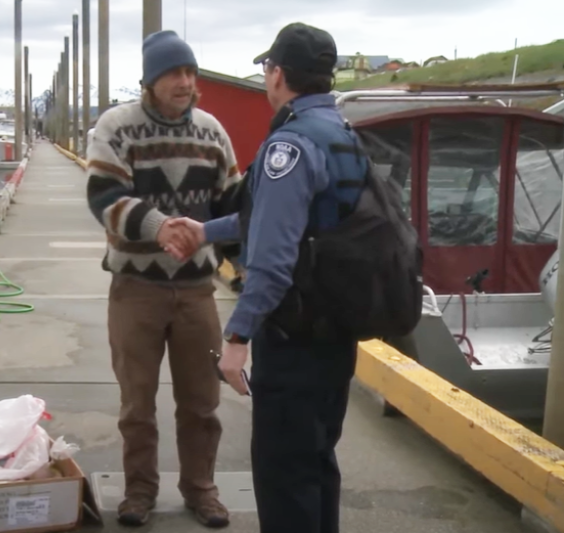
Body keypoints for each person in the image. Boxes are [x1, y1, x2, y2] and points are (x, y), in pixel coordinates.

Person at [165, 22, 370, 533]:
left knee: (284, 478)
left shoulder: (290, 147)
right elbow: (289, 220)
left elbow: (275, 256)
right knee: (318, 465)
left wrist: (238, 338)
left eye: (266, 69)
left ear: (278, 74)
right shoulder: (344, 136)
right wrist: (205, 229)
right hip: (336, 332)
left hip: (295, 339)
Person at [85, 29, 243, 529]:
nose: (185, 82)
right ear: (151, 81)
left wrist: (243, 268)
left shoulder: (214, 132)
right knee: (137, 402)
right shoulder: (116, 127)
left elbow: (233, 205)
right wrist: (162, 228)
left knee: (202, 400)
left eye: (190, 73)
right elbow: (104, 197)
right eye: (173, 73)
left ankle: (201, 489)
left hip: (198, 290)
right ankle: (139, 490)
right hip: (136, 290)